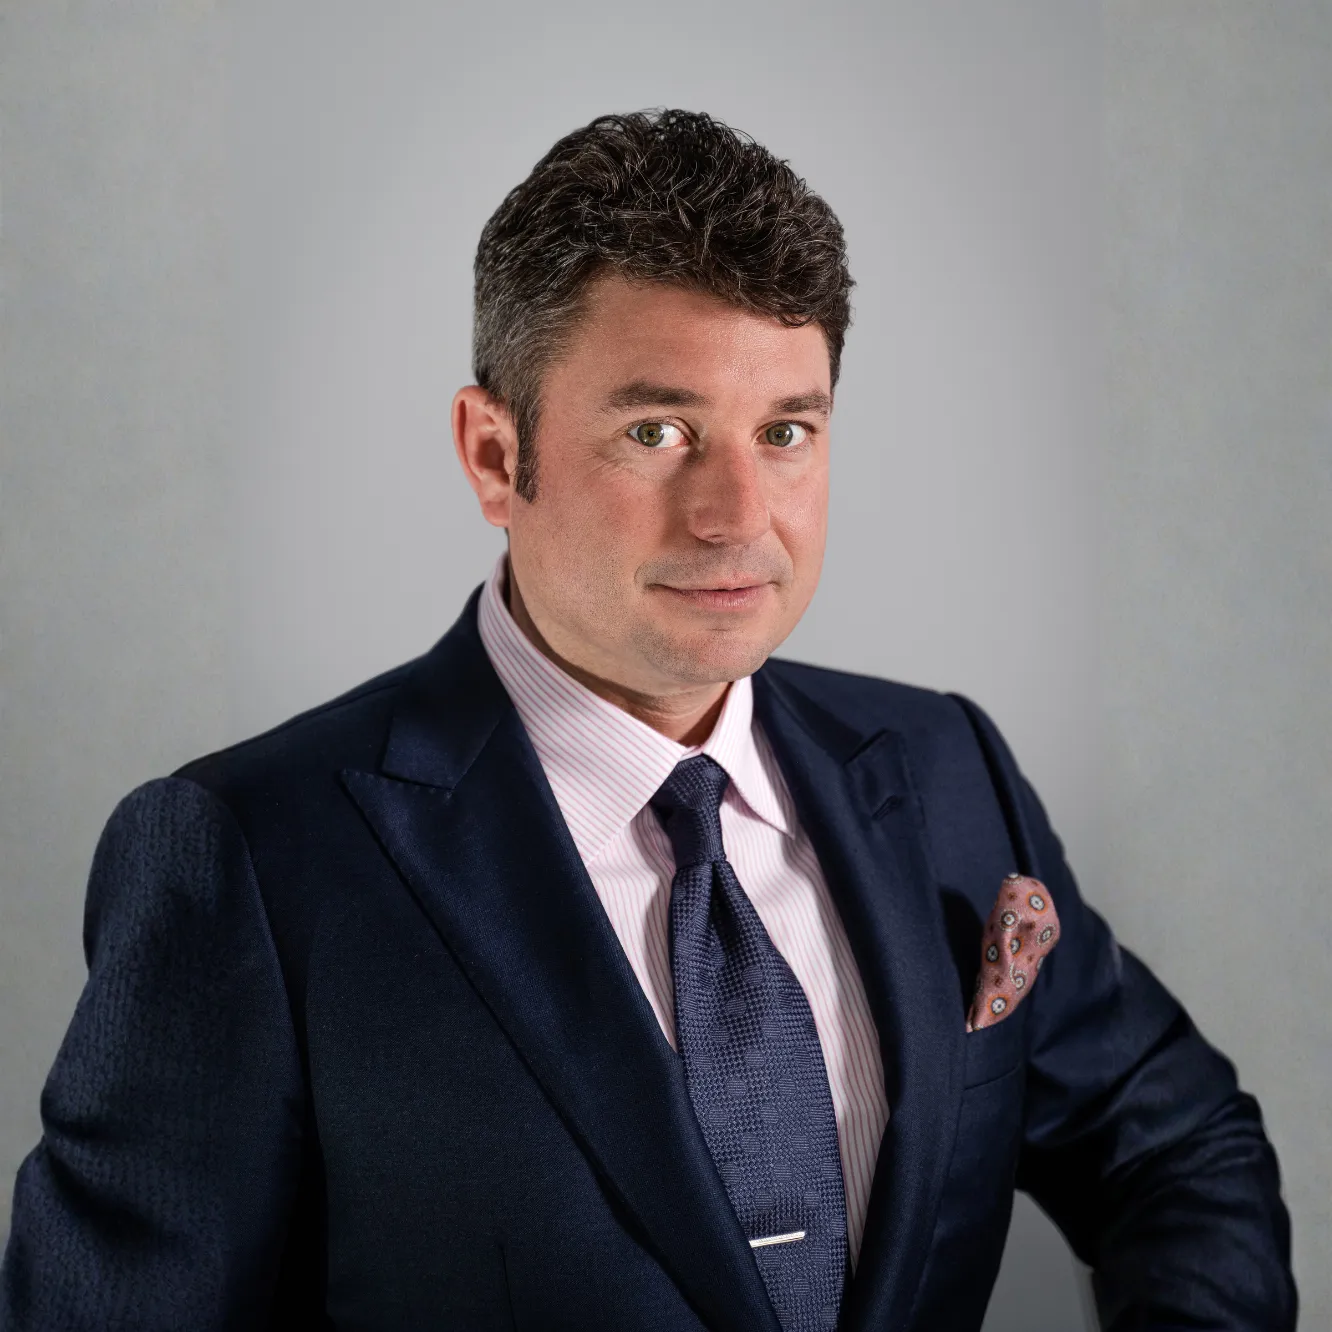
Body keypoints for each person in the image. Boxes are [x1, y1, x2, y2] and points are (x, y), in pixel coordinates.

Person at [0, 109, 1295, 1332]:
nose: (737, 515)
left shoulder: (946, 772)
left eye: (785, 430)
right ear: (496, 456)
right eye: (660, 430)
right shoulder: (249, 859)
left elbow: (1178, 1146)